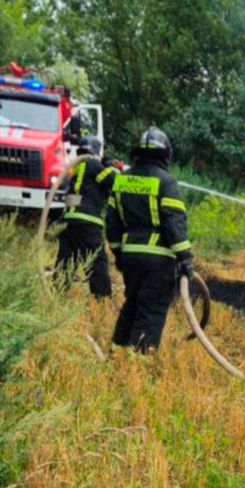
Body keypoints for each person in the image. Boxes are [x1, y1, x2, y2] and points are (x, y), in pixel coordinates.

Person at [107, 126, 194, 352]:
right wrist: (185, 258)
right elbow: (174, 225)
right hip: (158, 261)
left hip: (130, 259)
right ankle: (138, 360)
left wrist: (118, 253)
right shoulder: (166, 182)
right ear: (165, 154)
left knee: (132, 304)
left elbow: (112, 223)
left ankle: (117, 349)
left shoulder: (122, 181)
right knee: (151, 309)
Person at [54, 136, 119, 298]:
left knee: (67, 260)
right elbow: (115, 183)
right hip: (88, 223)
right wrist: (114, 168)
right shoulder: (94, 166)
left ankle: (57, 294)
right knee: (97, 262)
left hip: (70, 222)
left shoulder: (77, 167)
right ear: (97, 152)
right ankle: (102, 299)